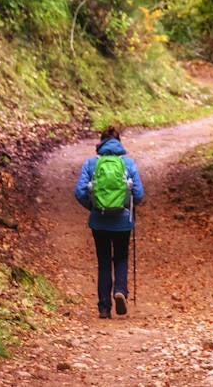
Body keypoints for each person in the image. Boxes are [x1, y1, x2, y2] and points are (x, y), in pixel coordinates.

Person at [74, 125, 144, 319]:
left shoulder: (91, 164)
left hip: (100, 222)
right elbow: (138, 193)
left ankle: (104, 307)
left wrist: (94, 207)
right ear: (119, 142)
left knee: (104, 261)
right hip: (123, 222)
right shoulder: (128, 164)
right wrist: (127, 206)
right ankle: (120, 291)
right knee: (120, 258)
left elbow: (79, 192)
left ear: (101, 143)